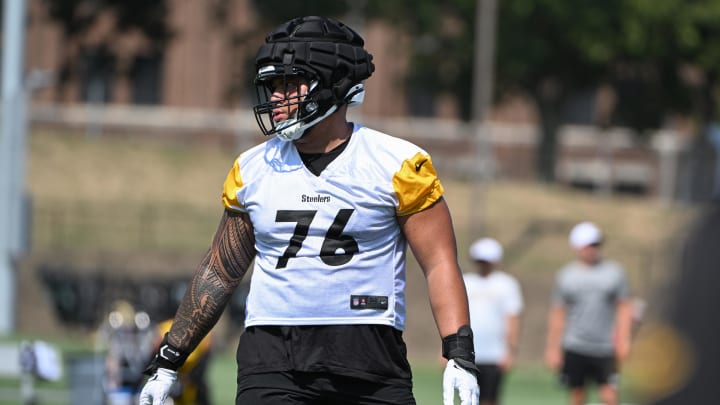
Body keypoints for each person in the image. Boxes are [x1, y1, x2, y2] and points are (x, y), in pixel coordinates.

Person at [138, 15, 478, 405]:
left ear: (333, 84)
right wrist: (169, 358)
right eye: (272, 85)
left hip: (368, 356)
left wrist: (459, 352)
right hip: (272, 358)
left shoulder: (397, 164)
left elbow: (439, 263)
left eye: (289, 84)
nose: (277, 97)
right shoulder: (253, 168)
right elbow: (220, 270)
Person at [544, 221, 633, 405]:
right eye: (589, 245)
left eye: (596, 244)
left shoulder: (614, 273)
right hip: (575, 345)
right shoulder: (566, 275)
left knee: (609, 396)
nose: (593, 249)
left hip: (605, 346)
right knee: (577, 396)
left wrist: (624, 339)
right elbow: (558, 313)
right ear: (577, 246)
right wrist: (553, 347)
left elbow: (624, 307)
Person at [463, 238, 523, 405]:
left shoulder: (506, 284)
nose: (483, 264)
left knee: (490, 399)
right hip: (467, 354)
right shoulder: (465, 282)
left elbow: (512, 318)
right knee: (466, 398)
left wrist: (510, 351)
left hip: (494, 354)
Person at [150, 319, 213, 405]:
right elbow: (154, 357)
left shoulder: (202, 334)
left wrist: (190, 377)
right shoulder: (163, 330)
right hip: (170, 371)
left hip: (191, 371)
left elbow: (204, 358)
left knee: (200, 389)